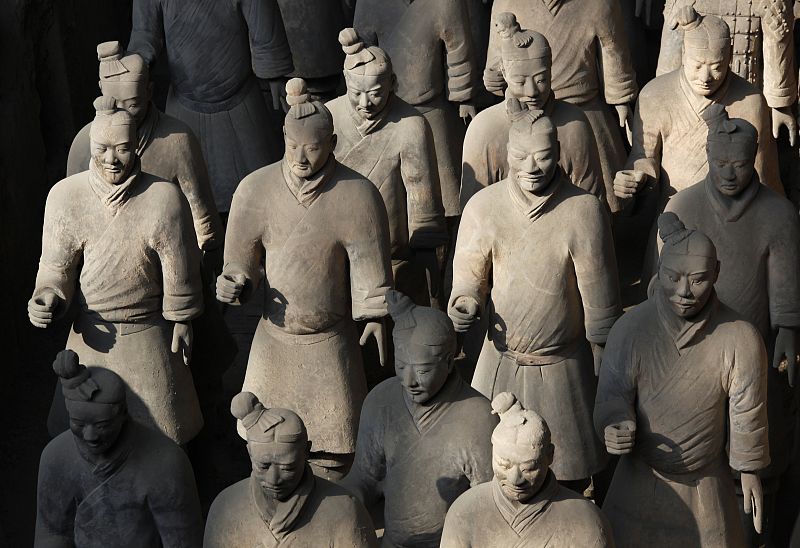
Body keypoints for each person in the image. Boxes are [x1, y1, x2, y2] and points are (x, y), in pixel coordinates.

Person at [217, 79, 393, 479]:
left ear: (332, 142)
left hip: (330, 342)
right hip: (274, 341)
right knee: (266, 446)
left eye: (312, 147)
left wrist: (375, 316)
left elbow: (371, 271)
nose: (300, 157)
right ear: (282, 135)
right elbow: (239, 264)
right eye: (293, 145)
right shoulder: (254, 189)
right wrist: (234, 282)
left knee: (334, 452)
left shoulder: (357, 194)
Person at [449, 99, 621, 490]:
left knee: (569, 479)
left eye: (542, 157)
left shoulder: (583, 209)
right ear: (508, 153)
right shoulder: (484, 206)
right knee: (495, 475)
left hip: (566, 371)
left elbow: (601, 305)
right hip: (500, 363)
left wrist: (604, 371)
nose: (531, 167)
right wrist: (464, 301)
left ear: (558, 153)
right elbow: (468, 277)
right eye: (520, 157)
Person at [29, 96, 204, 445]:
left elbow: (179, 274)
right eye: (103, 149)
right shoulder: (65, 196)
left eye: (122, 149)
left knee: (162, 442)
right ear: (91, 145)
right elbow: (54, 270)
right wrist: (46, 297)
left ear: (137, 146)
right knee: (81, 440)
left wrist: (182, 321)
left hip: (148, 336)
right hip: (92, 338)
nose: (112, 159)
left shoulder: (163, 198)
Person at [663, 109, 800, 545]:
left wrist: (788, 333)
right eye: (720, 163)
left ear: (755, 158)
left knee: (760, 452)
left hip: (755, 348)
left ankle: (757, 535)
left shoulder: (777, 213)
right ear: (706, 155)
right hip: (695, 349)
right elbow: (661, 283)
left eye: (740, 164)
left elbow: (784, 285)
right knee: (701, 452)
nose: (729, 173)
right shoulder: (683, 205)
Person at [595, 212, 770, 547]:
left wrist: (749, 470)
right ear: (659, 271)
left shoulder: (739, 337)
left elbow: (747, 412)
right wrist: (613, 423)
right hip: (640, 479)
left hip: (708, 485)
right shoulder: (631, 330)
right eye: (673, 277)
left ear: (717, 272)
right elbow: (612, 395)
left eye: (698, 280)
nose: (684, 292)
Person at [341, 290, 497, 547]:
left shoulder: (478, 415)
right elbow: (364, 480)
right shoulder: (382, 400)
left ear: (448, 362)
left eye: (423, 370)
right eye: (401, 366)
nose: (409, 381)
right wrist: (333, 506)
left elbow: (489, 507)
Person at [128, 0, 293, 213]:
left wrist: (275, 74)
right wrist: (131, 74)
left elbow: (263, 18)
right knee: (185, 208)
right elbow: (145, 34)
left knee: (262, 200)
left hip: (241, 105)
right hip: (183, 110)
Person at [614, 7, 782, 209]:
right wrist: (634, 178)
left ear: (729, 57)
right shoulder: (655, 95)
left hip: (735, 212)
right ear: (684, 53)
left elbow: (764, 173)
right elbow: (644, 156)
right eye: (697, 65)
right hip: (673, 211)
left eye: (716, 66)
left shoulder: (750, 101)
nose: (705, 78)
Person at [66, 41, 223, 258]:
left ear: (149, 91)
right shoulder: (84, 143)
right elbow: (73, 217)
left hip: (164, 260)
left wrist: (208, 261)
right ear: (101, 91)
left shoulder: (177, 140)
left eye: (133, 105)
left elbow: (202, 218)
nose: (124, 114)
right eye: (115, 104)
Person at [327, 29, 447, 307]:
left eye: (376, 93)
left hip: (393, 256)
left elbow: (422, 196)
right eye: (356, 93)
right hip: (336, 251)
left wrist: (426, 249)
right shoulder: (330, 117)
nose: (365, 103)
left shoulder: (410, 125)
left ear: (393, 83)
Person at [35, 350, 203, 547]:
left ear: (123, 414)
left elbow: (182, 542)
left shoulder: (166, 462)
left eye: (102, 425)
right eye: (79, 424)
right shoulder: (56, 457)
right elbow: (51, 534)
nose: (90, 436)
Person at [485, 0, 639, 214]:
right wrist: (492, 77)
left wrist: (621, 99)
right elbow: (497, 61)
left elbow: (613, 52)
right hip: (523, 117)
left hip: (586, 113)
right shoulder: (506, 3)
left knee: (599, 204)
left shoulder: (600, 4)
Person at [460, 13, 604, 209]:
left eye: (541, 80)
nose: (532, 92)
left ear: (551, 69)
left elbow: (592, 206)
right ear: (503, 71)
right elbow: (473, 213)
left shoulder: (574, 123)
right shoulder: (484, 128)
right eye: (520, 81)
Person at [353, 0, 477, 221]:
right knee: (390, 193)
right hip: (386, 113)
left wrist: (463, 96)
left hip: (434, 109)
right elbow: (361, 54)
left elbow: (458, 48)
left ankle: (449, 234)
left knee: (446, 189)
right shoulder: (370, 2)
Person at [440, 393, 615, 547]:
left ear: (550, 455)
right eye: (503, 464)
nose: (515, 479)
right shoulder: (464, 512)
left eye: (529, 468)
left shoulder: (586, 521)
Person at [204, 392, 378, 547]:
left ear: (306, 452)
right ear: (249, 452)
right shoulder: (225, 508)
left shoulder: (345, 511)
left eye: (287, 467)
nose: (273, 479)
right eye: (263, 466)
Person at [657, 0, 797, 145]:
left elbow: (777, 37)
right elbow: (668, 63)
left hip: (744, 96)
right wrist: (663, 102)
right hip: (689, 102)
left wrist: (779, 104)